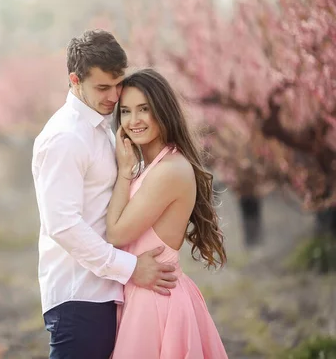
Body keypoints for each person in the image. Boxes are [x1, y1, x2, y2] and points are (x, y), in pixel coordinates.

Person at [31, 30, 178, 359]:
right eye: (102, 87)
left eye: (118, 84)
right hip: (79, 298)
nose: (114, 96)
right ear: (74, 80)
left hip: (105, 292)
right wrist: (130, 267)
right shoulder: (65, 138)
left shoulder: (99, 128)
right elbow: (63, 225)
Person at [107, 68, 229, 358]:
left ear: (162, 111)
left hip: (156, 302)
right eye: (125, 111)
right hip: (142, 291)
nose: (133, 120)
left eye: (143, 110)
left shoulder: (169, 171)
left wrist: (124, 173)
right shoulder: (150, 168)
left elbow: (115, 233)